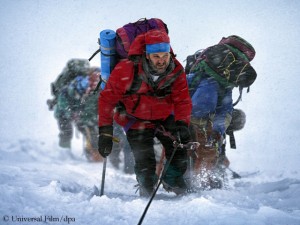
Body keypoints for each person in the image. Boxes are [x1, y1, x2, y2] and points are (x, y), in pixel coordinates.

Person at [98, 29, 192, 196]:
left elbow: (182, 100)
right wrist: (105, 132)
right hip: (134, 119)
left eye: (165, 55)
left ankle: (173, 180)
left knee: (179, 148)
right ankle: (146, 186)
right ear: (147, 55)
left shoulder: (176, 69)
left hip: (164, 116)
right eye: (156, 56)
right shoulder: (126, 70)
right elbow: (106, 100)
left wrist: (183, 123)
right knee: (144, 161)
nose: (161, 61)